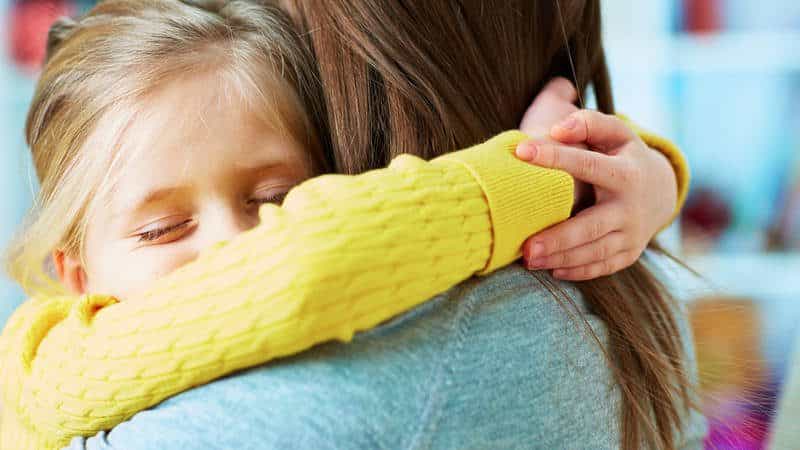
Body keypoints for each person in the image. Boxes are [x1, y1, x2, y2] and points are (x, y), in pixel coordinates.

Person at [0, 1, 701, 449]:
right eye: (161, 230)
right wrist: (541, 177)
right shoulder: (49, 365)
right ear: (76, 276)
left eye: (279, 198)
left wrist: (631, 172)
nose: (234, 249)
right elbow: (310, 263)